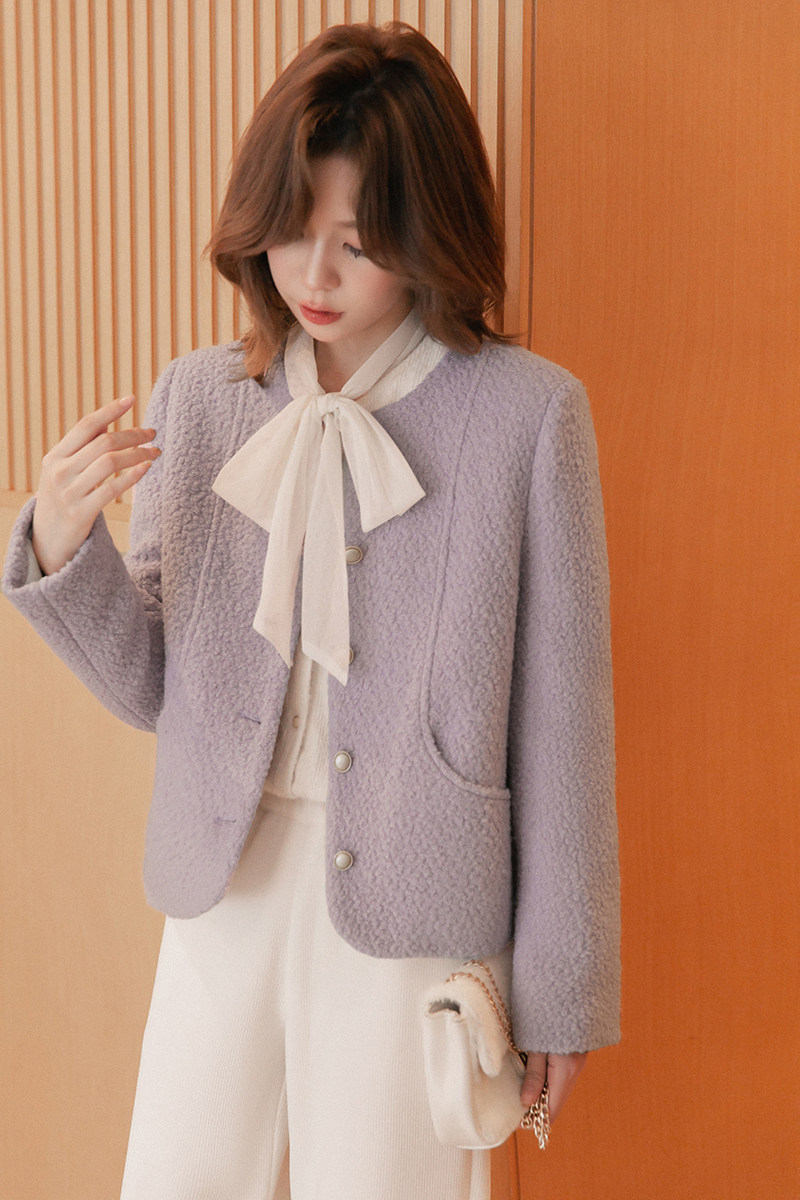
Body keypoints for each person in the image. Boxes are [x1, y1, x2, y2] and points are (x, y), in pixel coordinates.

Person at [2, 21, 620, 1200]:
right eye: (293, 231)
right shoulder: (203, 399)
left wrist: (562, 989)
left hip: (414, 910)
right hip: (220, 884)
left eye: (358, 242)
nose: (315, 277)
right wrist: (62, 548)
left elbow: (565, 731)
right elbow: (156, 685)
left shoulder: (525, 418)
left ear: (427, 231)